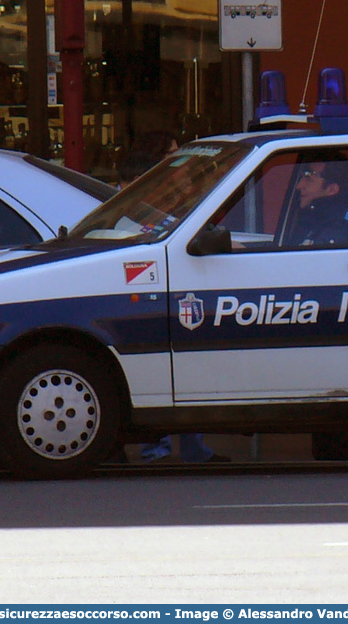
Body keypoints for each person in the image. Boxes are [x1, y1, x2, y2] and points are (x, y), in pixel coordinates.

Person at [117, 141, 230, 465]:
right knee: (154, 377)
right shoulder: (124, 224)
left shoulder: (168, 215)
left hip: (178, 301)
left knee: (185, 373)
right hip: (146, 306)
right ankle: (158, 452)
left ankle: (193, 450)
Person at [288, 149, 348, 247]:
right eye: (302, 178)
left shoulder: (336, 229)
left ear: (331, 190)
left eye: (309, 179)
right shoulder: (314, 216)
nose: (299, 186)